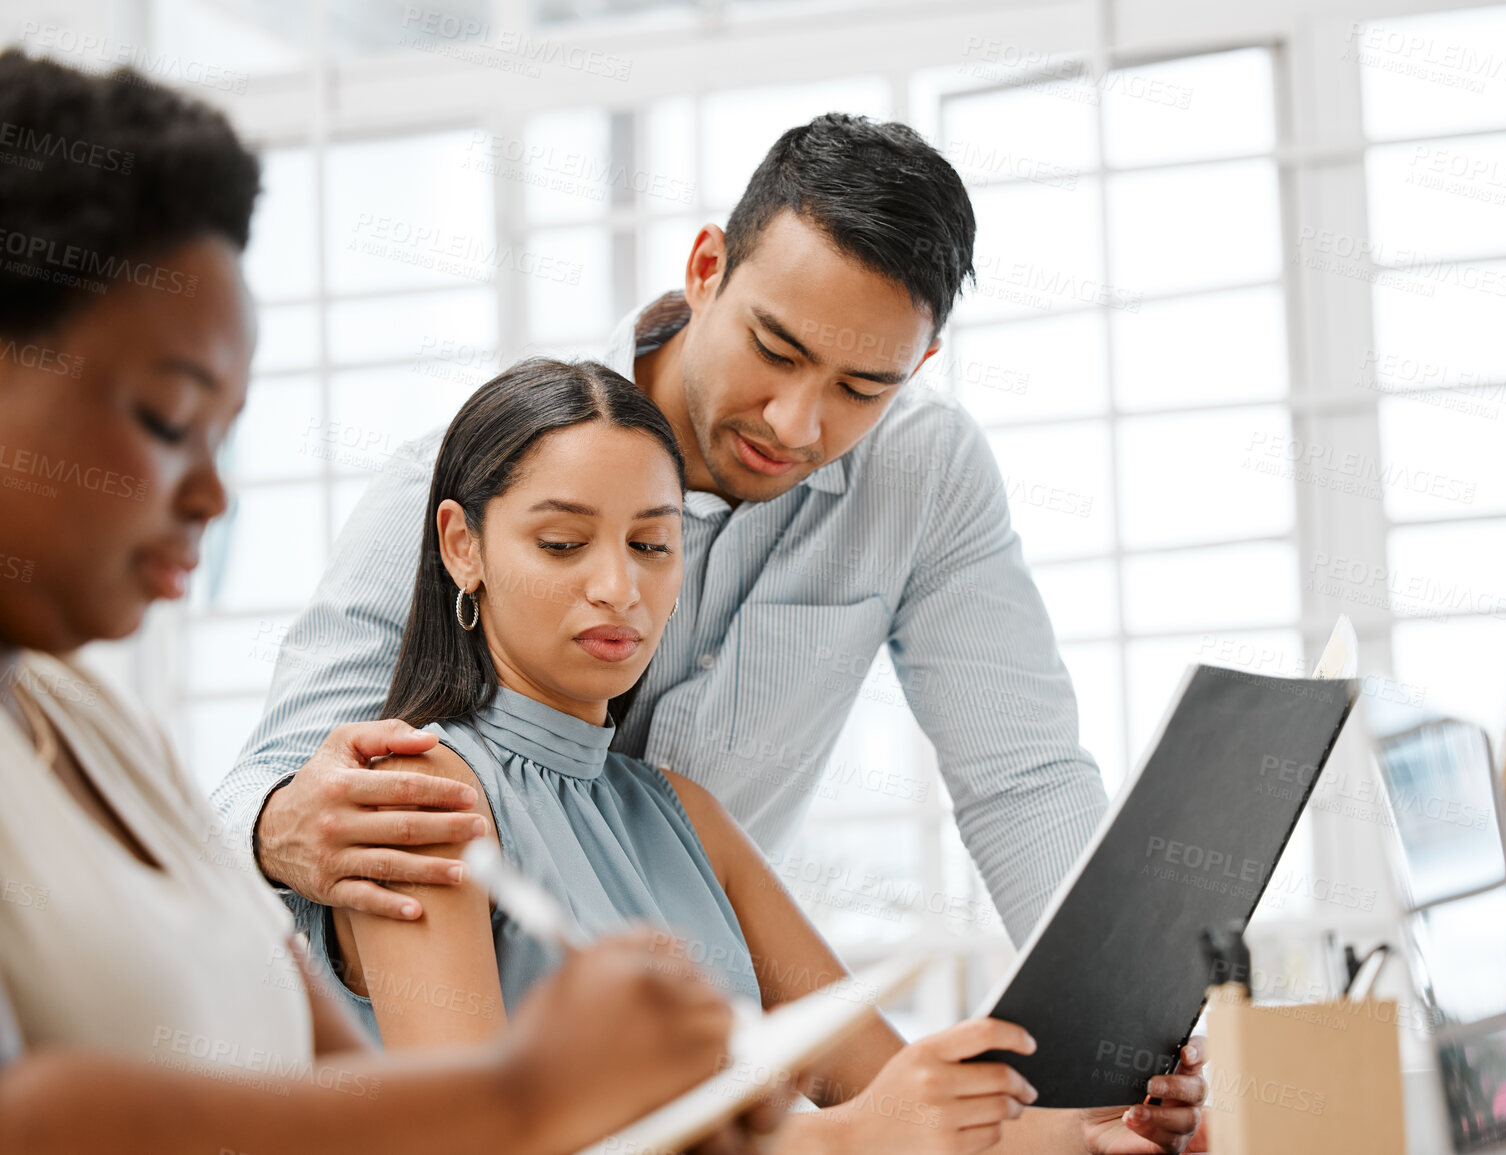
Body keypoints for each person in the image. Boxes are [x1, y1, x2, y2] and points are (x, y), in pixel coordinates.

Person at [0, 48, 776, 1155]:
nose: (214, 494)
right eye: (170, 422)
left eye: (226, 434)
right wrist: (531, 1090)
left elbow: (357, 1099)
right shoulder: (431, 792)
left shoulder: (102, 732)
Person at [211, 113, 1109, 952]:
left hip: (710, 1024)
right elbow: (268, 788)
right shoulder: (453, 480)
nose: (796, 424)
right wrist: (278, 824)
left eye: (862, 388)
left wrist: (1121, 1033)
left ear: (919, 366)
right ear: (706, 267)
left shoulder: (924, 474)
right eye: (776, 350)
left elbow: (1022, 778)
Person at [296, 355, 1207, 1154]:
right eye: (563, 543)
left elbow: (884, 1086)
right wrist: (834, 1141)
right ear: (463, 545)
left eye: (652, 543)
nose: (619, 588)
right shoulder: (415, 801)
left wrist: (1093, 1127)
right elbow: (469, 1141)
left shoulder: (678, 811)